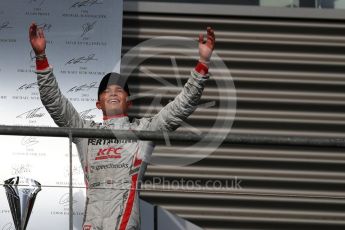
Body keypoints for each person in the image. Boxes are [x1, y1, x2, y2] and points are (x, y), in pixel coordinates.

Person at [29, 22, 215, 230]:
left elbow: (180, 107)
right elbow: (54, 103)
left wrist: (203, 63)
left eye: (120, 90)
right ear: (99, 104)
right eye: (107, 91)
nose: (114, 92)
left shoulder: (144, 130)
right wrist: (40, 57)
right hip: (91, 223)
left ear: (129, 102)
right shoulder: (84, 132)